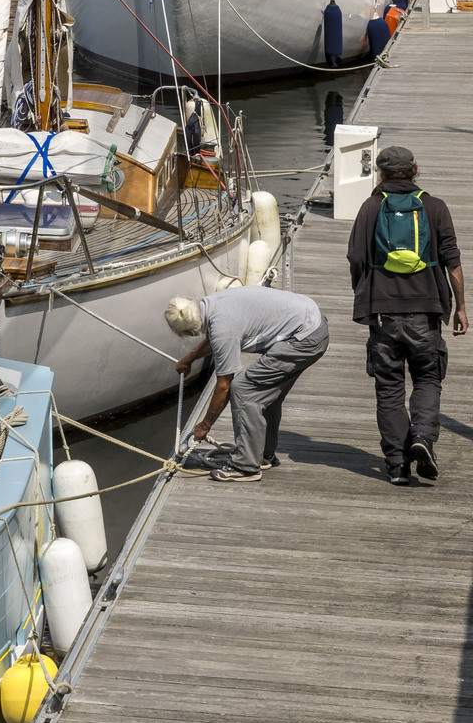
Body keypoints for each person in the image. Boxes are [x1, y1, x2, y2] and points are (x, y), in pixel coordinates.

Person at [346, 142, 466, 484]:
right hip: (426, 312)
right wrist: (460, 307)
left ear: (380, 173)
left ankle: (397, 464)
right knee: (428, 377)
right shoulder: (435, 207)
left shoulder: (370, 208)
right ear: (415, 170)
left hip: (382, 313)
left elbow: (355, 258)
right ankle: (422, 438)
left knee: (389, 387)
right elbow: (452, 261)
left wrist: (365, 292)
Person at [165, 283, 330, 481]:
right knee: (265, 393)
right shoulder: (214, 303)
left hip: (303, 339)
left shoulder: (222, 329)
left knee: (244, 389)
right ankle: (262, 455)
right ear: (191, 302)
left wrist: (205, 426)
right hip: (312, 325)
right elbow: (216, 338)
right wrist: (189, 359)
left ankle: (246, 466)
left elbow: (224, 385)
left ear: (193, 332)